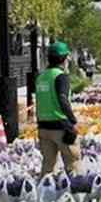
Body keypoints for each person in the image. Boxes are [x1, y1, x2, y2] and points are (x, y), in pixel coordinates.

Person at [36, 41, 80, 177]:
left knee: (48, 165)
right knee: (73, 163)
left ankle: (44, 193)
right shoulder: (60, 76)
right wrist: (73, 120)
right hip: (61, 127)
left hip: (44, 127)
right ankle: (75, 193)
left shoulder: (41, 77)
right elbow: (63, 99)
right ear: (64, 58)